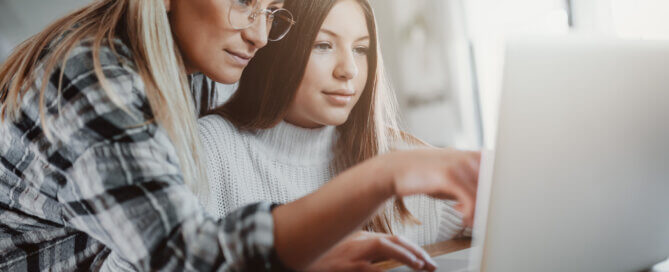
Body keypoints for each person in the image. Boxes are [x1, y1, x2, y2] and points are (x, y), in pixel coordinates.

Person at [0, 0, 480, 271]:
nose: (259, 33)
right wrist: (383, 175)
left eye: (271, 9)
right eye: (244, 2)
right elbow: (187, 260)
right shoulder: (93, 84)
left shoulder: (193, 67)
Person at [200, 0, 469, 257]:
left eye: (361, 49)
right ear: (276, 49)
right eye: (324, 45)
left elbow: (498, 212)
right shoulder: (210, 147)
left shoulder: (395, 155)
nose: (349, 70)